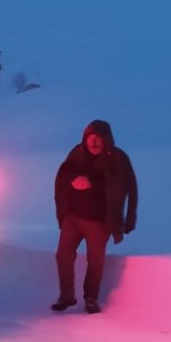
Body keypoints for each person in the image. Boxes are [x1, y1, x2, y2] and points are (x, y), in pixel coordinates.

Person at [52, 119, 138, 314]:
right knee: (63, 256)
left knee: (95, 261)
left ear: (107, 140)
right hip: (72, 218)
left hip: (99, 222)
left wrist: (91, 184)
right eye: (90, 138)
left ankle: (91, 298)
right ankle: (67, 296)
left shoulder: (118, 158)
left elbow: (129, 187)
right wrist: (73, 180)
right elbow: (62, 174)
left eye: (98, 139)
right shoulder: (78, 152)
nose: (94, 143)